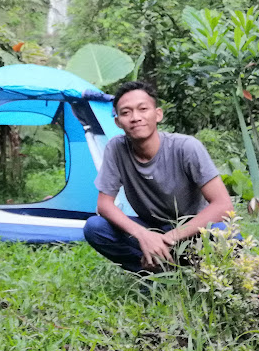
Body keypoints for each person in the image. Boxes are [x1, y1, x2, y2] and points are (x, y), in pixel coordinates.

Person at [83, 80, 234, 273]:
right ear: (118, 122)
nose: (135, 117)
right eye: (126, 112)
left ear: (158, 114)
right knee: (95, 228)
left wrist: (169, 238)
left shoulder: (186, 147)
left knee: (228, 238)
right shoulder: (116, 148)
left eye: (143, 109)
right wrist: (143, 235)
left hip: (192, 230)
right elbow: (104, 205)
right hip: (151, 227)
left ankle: (191, 272)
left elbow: (223, 205)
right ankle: (155, 272)